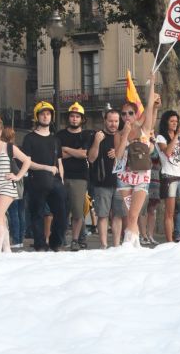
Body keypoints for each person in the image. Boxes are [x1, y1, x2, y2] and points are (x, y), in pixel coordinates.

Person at [114, 84, 161, 248]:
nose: (127, 116)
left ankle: (129, 245)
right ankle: (134, 245)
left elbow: (149, 108)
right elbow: (119, 156)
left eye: (130, 113)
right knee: (130, 215)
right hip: (124, 177)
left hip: (142, 176)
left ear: (136, 115)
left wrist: (152, 81)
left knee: (134, 214)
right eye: (124, 114)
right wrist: (125, 134)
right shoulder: (119, 134)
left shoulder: (145, 129)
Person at [0, 116, 30, 253]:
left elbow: (27, 161)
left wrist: (18, 176)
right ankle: (7, 249)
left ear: (0, 132)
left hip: (6, 185)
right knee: (0, 217)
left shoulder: (9, 147)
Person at [22, 101, 67, 251]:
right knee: (37, 214)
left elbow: (59, 162)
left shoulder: (56, 140)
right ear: (37, 116)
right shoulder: (29, 138)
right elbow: (27, 162)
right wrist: (46, 168)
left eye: (48, 114)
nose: (46, 116)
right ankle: (40, 244)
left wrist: (61, 179)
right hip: (36, 180)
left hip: (55, 181)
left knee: (61, 214)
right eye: (42, 114)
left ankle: (55, 242)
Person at [56, 102, 94, 250]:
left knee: (78, 210)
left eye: (77, 116)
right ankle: (62, 238)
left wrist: (65, 149)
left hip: (80, 176)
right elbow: (58, 155)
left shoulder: (86, 134)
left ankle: (76, 239)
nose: (74, 119)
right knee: (62, 210)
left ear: (82, 119)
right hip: (61, 176)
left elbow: (84, 153)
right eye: (72, 116)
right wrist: (74, 152)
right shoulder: (59, 135)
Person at [156, 110, 180, 243]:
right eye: (172, 121)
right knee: (170, 213)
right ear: (166, 122)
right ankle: (169, 242)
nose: (175, 123)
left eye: (176, 121)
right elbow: (167, 152)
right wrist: (177, 134)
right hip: (169, 176)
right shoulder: (160, 137)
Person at [87, 109, 124, 248]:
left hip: (120, 182)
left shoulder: (121, 136)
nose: (113, 124)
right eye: (110, 121)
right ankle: (103, 245)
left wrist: (118, 152)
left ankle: (116, 245)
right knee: (102, 215)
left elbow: (126, 158)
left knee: (118, 215)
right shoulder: (97, 135)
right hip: (101, 182)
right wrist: (97, 142)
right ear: (104, 121)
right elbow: (91, 158)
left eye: (116, 121)